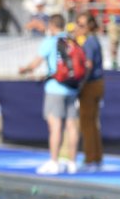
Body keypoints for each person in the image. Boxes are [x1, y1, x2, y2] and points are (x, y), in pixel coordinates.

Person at [19, 14, 80, 174]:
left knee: (55, 126)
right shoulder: (71, 40)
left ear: (52, 26)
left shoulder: (49, 41)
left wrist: (24, 69)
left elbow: (35, 63)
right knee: (72, 126)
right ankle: (72, 162)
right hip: (72, 87)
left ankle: (54, 161)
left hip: (55, 88)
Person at [74, 12, 105, 171]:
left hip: (91, 85)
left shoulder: (89, 43)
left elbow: (88, 65)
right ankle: (97, 157)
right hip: (97, 83)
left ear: (89, 26)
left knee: (87, 123)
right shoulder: (93, 41)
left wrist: (79, 85)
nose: (78, 28)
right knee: (93, 122)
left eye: (81, 25)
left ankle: (90, 159)